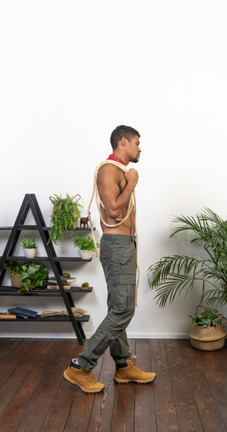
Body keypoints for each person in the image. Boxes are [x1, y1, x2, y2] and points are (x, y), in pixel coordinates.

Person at [63, 125, 156, 393]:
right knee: (123, 310)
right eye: (137, 143)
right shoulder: (108, 170)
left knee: (118, 306)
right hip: (117, 246)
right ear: (123, 142)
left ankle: (124, 366)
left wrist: (129, 182)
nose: (140, 148)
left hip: (124, 245)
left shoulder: (120, 172)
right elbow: (114, 211)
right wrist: (133, 183)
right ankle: (80, 366)